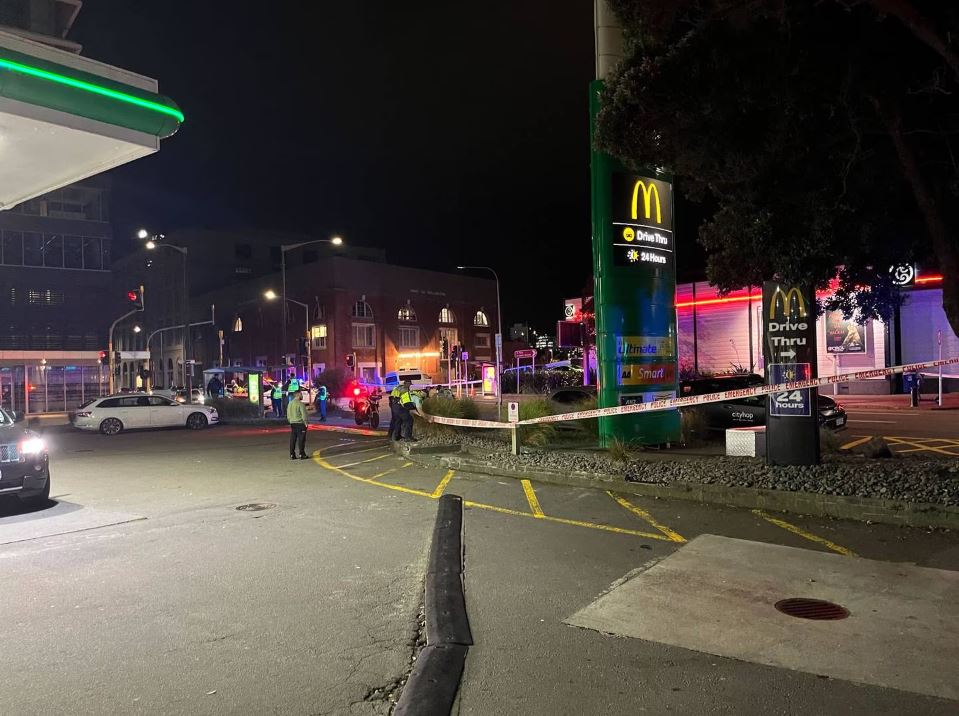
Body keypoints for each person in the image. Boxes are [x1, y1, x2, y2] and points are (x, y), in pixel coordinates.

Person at [287, 389, 309, 460]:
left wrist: (290, 420)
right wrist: (306, 423)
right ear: (298, 395)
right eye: (301, 394)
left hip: (292, 423)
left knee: (293, 439)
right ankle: (302, 454)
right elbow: (304, 415)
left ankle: (292, 454)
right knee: (301, 439)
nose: (302, 395)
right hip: (300, 423)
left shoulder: (290, 403)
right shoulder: (300, 404)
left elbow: (288, 414)